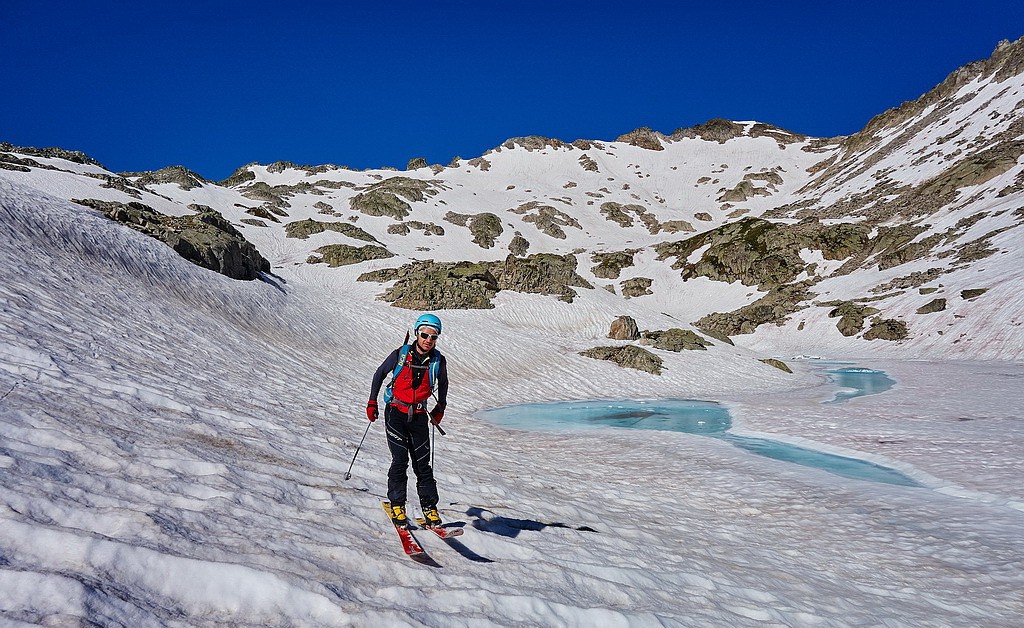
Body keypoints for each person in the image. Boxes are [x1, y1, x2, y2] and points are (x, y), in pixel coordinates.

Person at [367, 313, 448, 529]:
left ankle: (430, 508)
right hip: (396, 413)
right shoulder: (400, 355)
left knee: (423, 465)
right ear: (417, 333)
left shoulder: (438, 361)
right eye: (424, 335)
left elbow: (444, 384)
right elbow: (379, 374)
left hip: (419, 416)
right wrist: (372, 402)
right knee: (400, 460)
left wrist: (440, 407)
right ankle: (397, 505)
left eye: (433, 336)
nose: (428, 340)